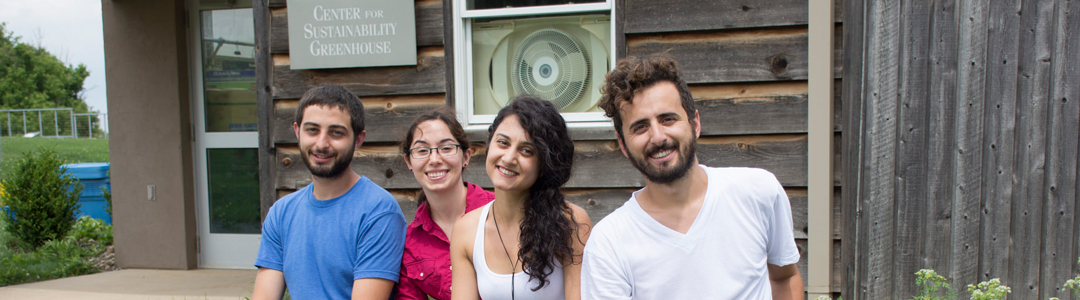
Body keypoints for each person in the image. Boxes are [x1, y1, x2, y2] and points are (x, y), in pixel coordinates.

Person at [581, 54, 804, 300]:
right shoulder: (608, 243)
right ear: (623, 145)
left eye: (668, 119)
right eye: (640, 127)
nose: (657, 137)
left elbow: (785, 277)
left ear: (695, 123)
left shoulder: (758, 192)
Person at [252, 84, 407, 300]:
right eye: (312, 130)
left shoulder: (379, 211)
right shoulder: (282, 213)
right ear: (297, 132)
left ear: (358, 140)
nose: (322, 144)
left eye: (336, 133)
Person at [449, 95, 592, 300]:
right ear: (489, 145)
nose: (508, 158)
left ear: (544, 163)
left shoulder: (571, 221)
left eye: (526, 151)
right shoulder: (466, 230)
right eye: (503, 143)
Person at [396, 107, 495, 300]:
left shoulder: (497, 210)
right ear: (409, 161)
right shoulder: (411, 242)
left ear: (465, 156)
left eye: (446, 148)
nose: (434, 159)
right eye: (422, 150)